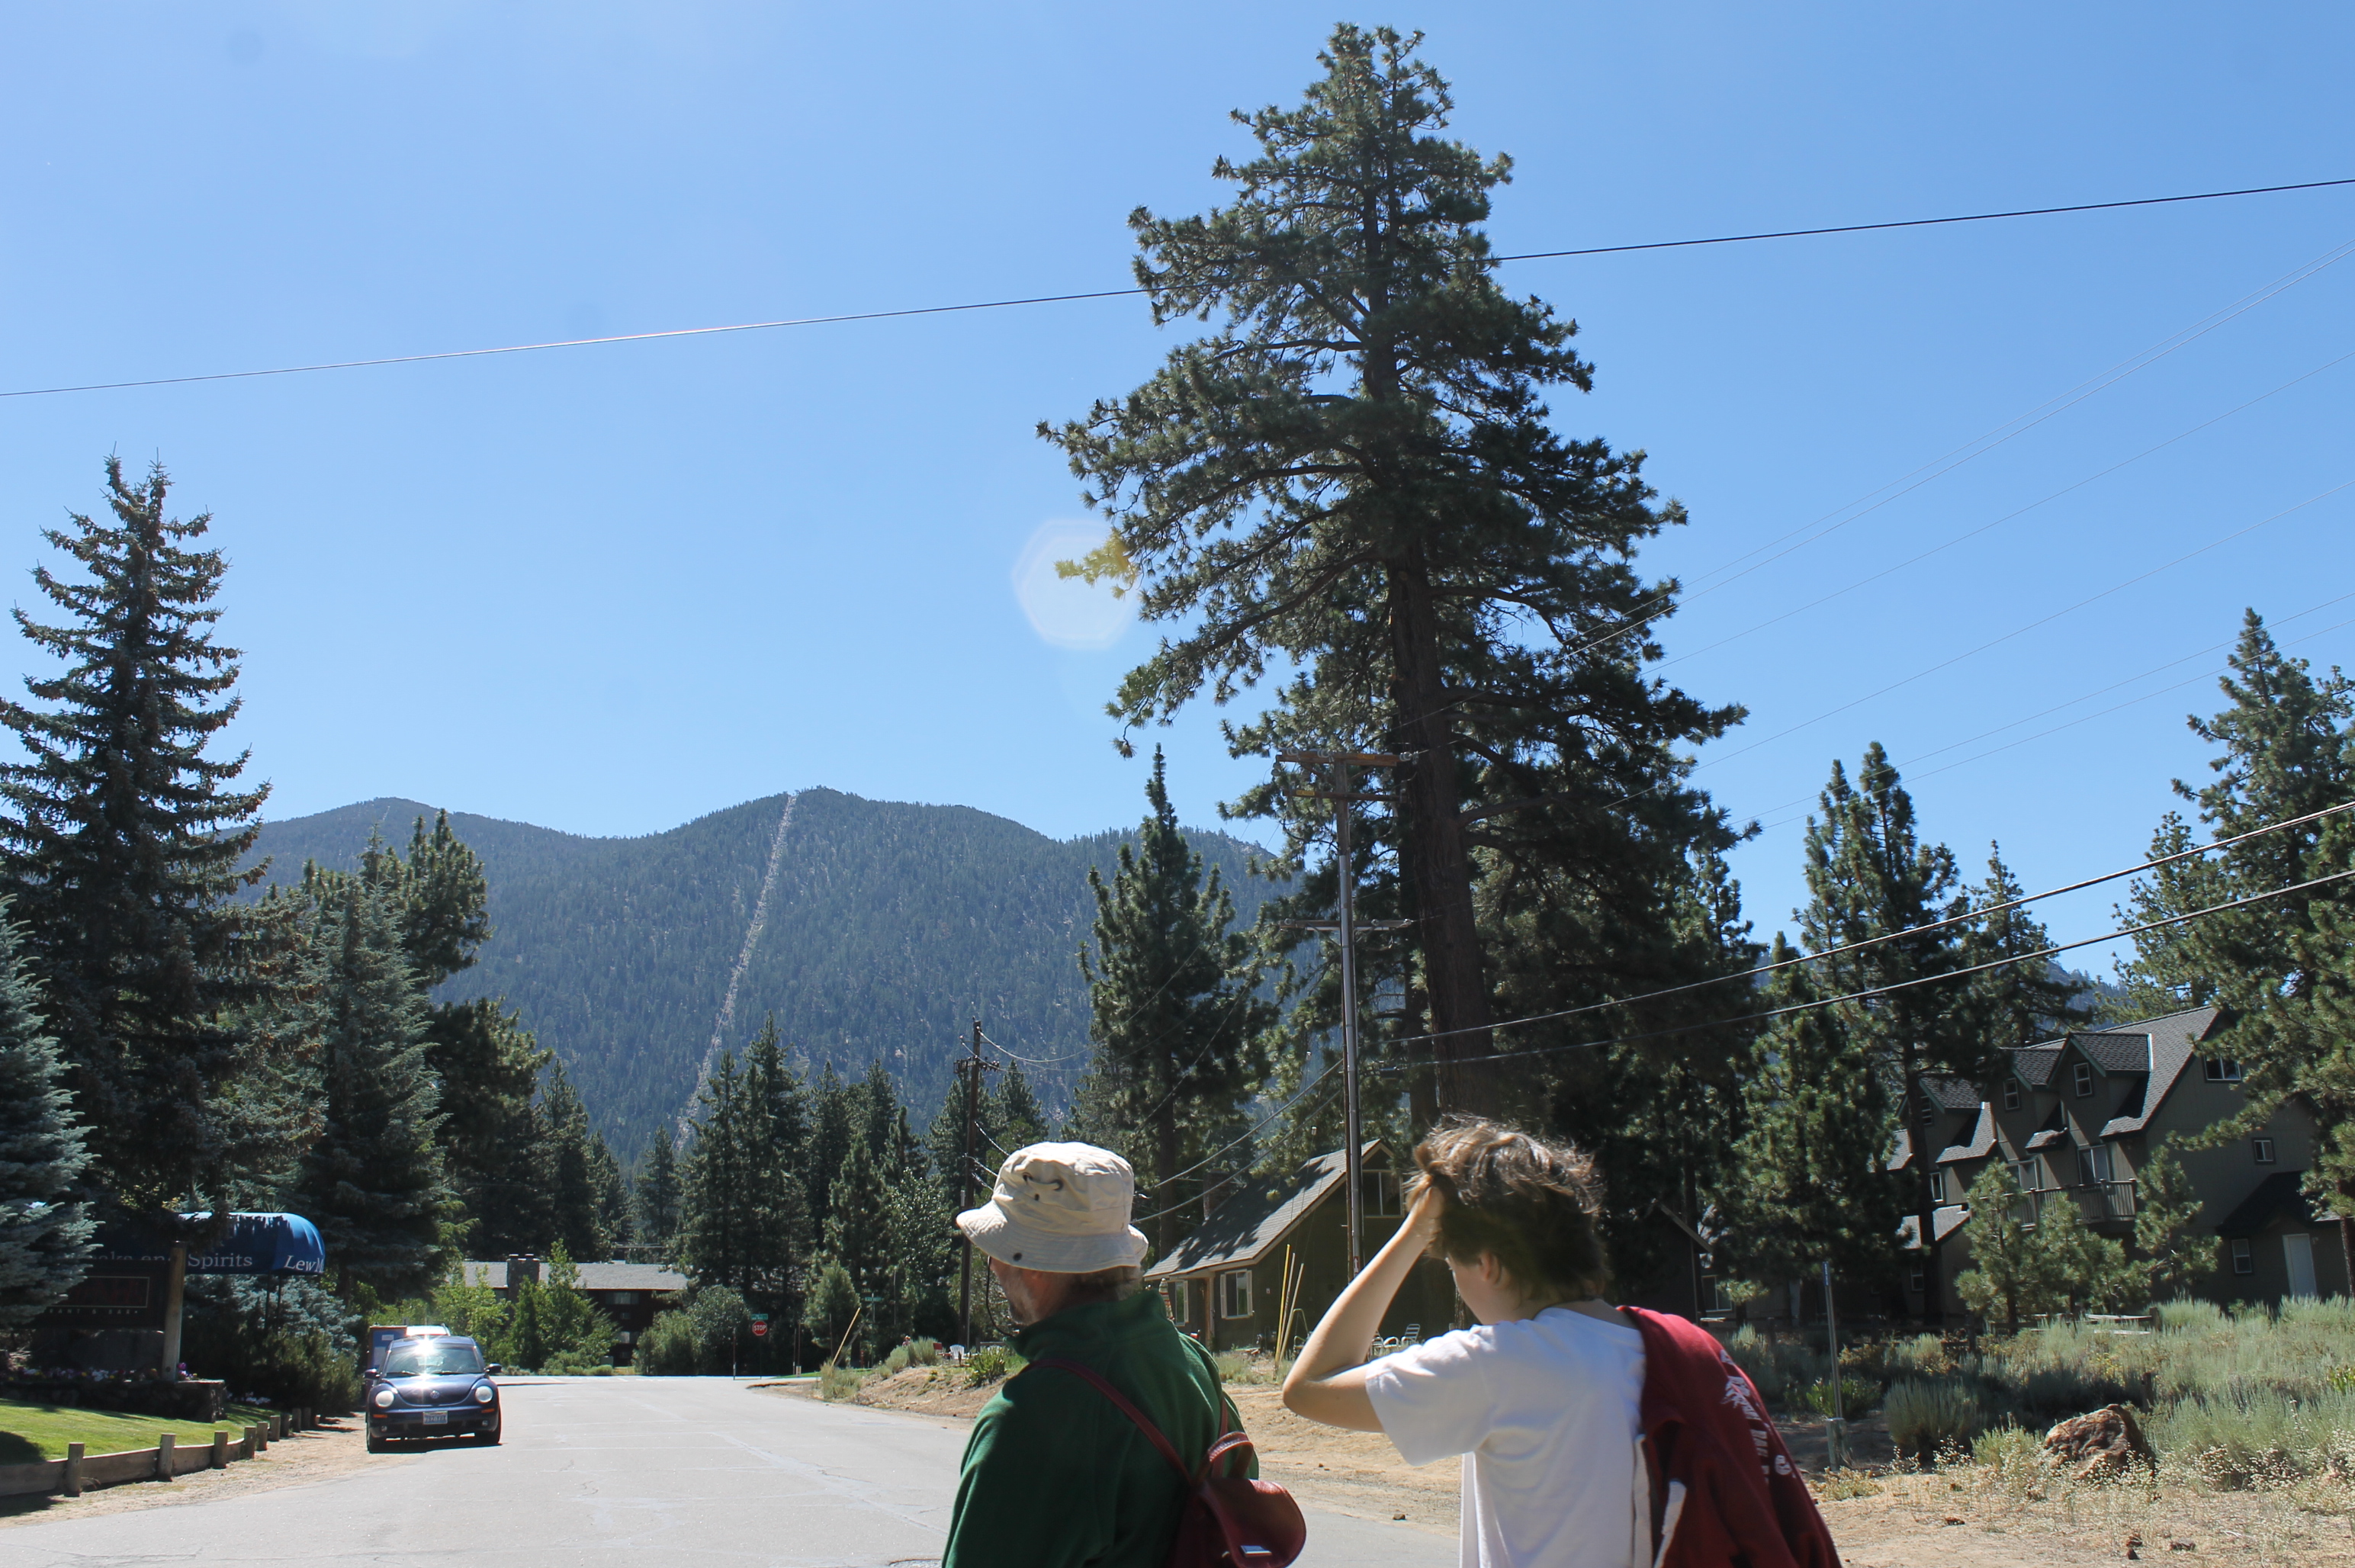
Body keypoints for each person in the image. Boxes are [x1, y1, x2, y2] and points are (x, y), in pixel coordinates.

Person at [1282, 1117, 1836, 1568]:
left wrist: (1415, 1231)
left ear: (1489, 1265)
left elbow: (1308, 1387)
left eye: (1452, 1264)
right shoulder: (1681, 1348)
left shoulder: (1497, 1365)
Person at [942, 1141, 1250, 1568]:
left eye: (999, 1249)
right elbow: (1240, 1490)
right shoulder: (1194, 1366)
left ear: (1035, 1264)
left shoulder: (1028, 1417)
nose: (993, 1265)